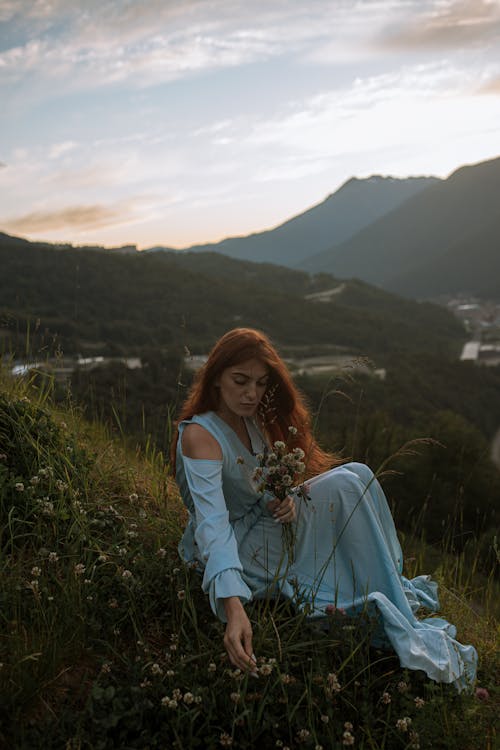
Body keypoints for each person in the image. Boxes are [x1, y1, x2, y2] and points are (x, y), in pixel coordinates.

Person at [171, 328, 477, 691]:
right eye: (240, 381)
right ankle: (378, 592)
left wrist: (279, 499)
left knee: (358, 475)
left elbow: (252, 487)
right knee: (345, 486)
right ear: (216, 377)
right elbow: (213, 524)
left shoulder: (251, 421)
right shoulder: (199, 437)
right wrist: (233, 608)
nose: (251, 393)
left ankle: (382, 580)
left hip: (260, 525)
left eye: (260, 383)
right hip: (232, 550)